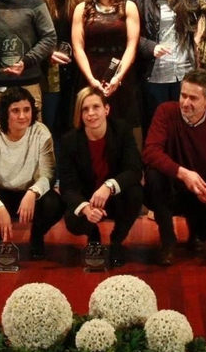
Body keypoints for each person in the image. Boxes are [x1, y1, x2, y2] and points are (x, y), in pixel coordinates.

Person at [142, 70, 206, 264]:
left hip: (200, 195)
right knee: (153, 175)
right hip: (170, 190)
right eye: (183, 95)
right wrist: (183, 173)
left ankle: (199, 236)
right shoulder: (166, 112)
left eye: (193, 98)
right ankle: (167, 241)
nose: (185, 103)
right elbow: (150, 152)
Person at [0, 86, 60, 259]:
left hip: (28, 193)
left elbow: (48, 174)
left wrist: (33, 193)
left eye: (26, 110)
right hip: (0, 191)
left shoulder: (41, 132)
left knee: (55, 204)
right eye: (15, 111)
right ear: (5, 113)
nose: (22, 116)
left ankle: (37, 237)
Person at [55, 86, 143, 265]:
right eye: (85, 109)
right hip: (87, 198)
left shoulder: (122, 130)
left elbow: (134, 170)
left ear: (106, 109)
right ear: (80, 114)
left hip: (114, 196)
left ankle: (117, 240)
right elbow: (67, 187)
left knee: (136, 193)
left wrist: (109, 186)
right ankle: (93, 235)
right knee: (73, 218)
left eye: (96, 107)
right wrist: (86, 208)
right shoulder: (69, 141)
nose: (91, 113)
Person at [71, 0, 142, 130]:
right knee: (92, 126)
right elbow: (78, 48)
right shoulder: (82, 8)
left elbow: (131, 46)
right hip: (91, 75)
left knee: (121, 128)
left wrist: (118, 78)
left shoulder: (129, 7)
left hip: (121, 77)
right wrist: (91, 80)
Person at [24, 0, 86, 135]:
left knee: (75, 127)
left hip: (78, 69)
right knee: (47, 128)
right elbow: (23, 35)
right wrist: (46, 52)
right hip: (46, 72)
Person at [133, 0, 197, 117]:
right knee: (157, 127)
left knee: (183, 126)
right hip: (155, 75)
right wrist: (150, 46)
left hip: (184, 73)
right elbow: (130, 37)